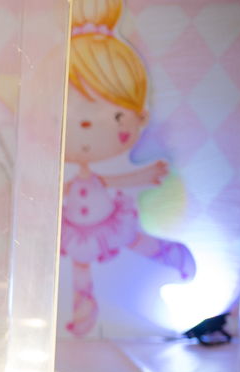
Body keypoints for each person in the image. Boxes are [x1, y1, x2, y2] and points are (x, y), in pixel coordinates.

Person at [62, 0, 195, 337]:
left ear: (140, 117)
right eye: (69, 114)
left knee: (134, 240)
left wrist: (145, 176)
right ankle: (83, 312)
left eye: (115, 114)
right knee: (80, 263)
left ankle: (172, 256)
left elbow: (114, 180)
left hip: (107, 220)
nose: (86, 124)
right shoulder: (68, 176)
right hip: (77, 227)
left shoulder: (98, 176)